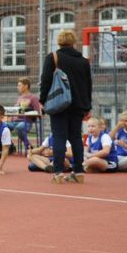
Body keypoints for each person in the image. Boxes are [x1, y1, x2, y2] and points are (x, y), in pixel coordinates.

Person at [38, 29, 92, 183]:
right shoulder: (83, 60)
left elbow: (46, 81)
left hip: (59, 103)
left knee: (59, 137)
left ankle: (58, 172)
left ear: (59, 41)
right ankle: (78, 171)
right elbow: (88, 84)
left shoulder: (54, 57)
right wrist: (87, 106)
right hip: (79, 104)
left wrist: (42, 100)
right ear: (74, 41)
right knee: (76, 137)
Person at [5, 77, 41, 151]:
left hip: (26, 122)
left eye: (19, 85)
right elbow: (16, 110)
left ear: (26, 86)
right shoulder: (19, 97)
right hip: (14, 121)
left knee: (19, 127)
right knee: (3, 126)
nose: (18, 87)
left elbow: (38, 111)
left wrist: (27, 111)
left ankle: (28, 146)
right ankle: (11, 146)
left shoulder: (33, 98)